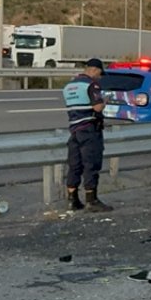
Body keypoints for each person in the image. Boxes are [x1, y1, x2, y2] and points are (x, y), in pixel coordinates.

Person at [63, 58, 112, 212]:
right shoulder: (91, 85)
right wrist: (105, 100)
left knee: (75, 165)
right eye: (99, 73)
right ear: (95, 70)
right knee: (91, 164)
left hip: (74, 129)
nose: (99, 77)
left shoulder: (69, 86)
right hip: (90, 129)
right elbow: (97, 108)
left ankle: (72, 199)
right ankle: (92, 200)